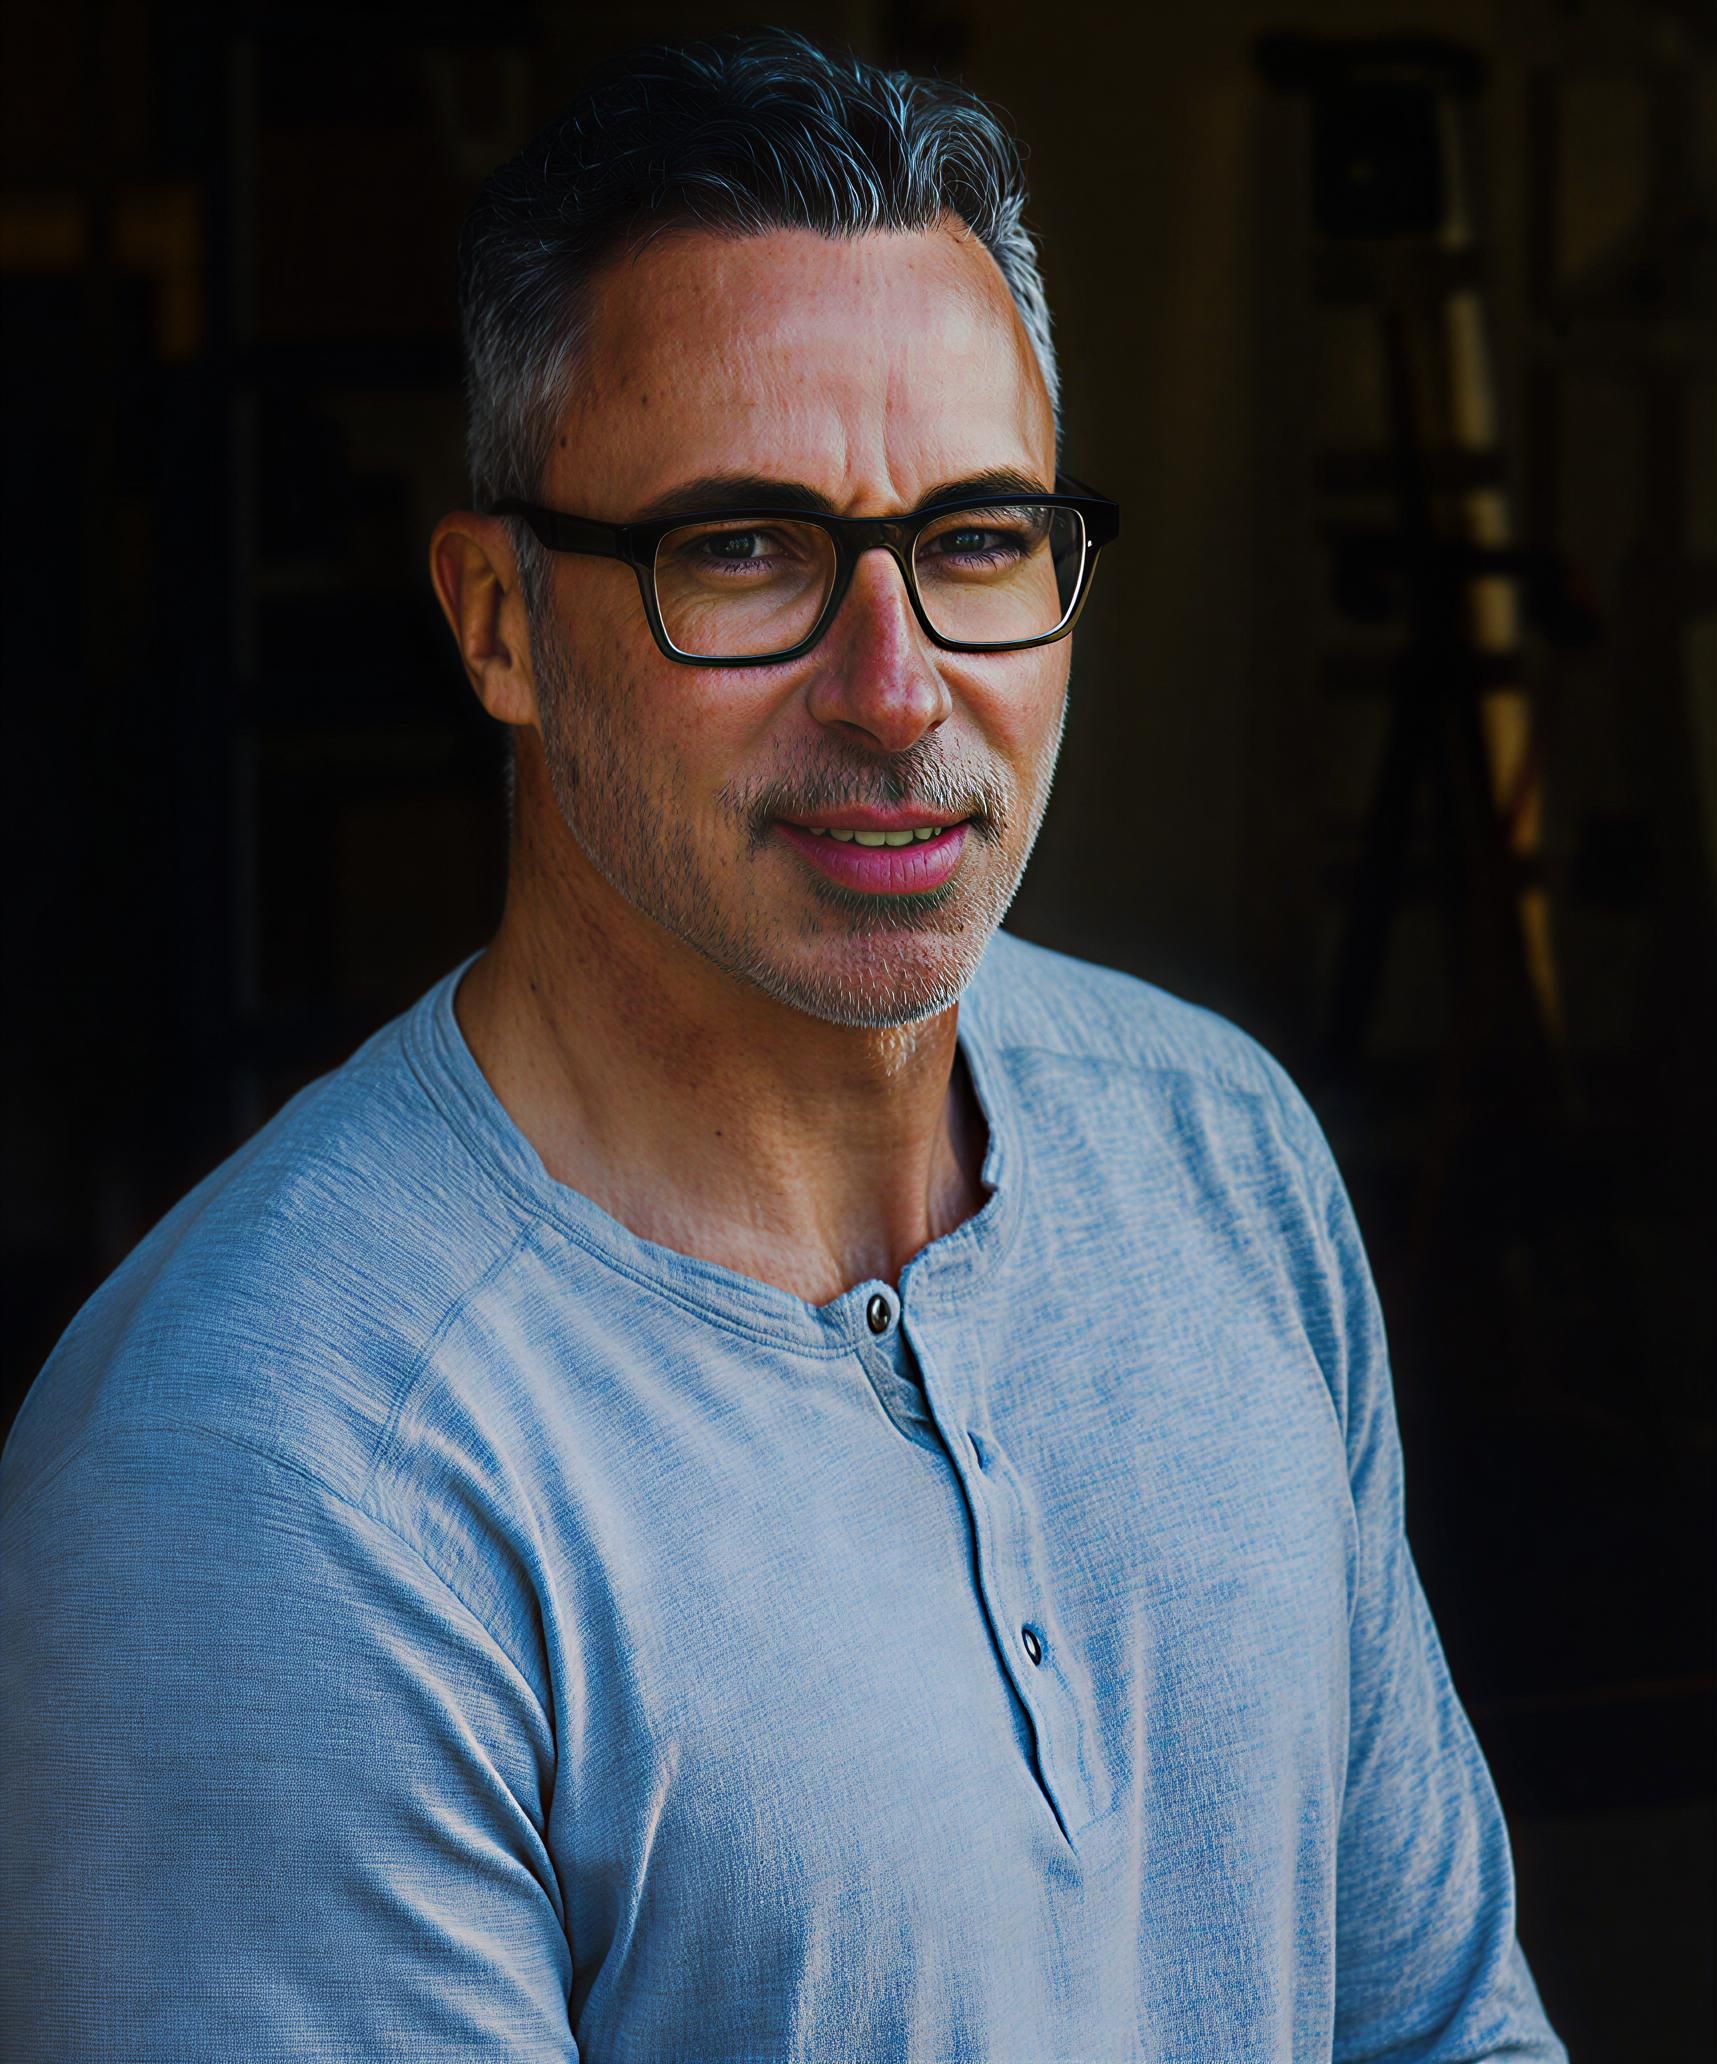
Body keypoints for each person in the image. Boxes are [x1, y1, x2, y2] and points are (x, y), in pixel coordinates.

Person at [1, 29, 1565, 2061]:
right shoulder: (272, 1472)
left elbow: (1438, 2021)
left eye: (978, 539)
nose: (896, 689)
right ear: (494, 621)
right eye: (741, 549)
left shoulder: (1220, 1154)